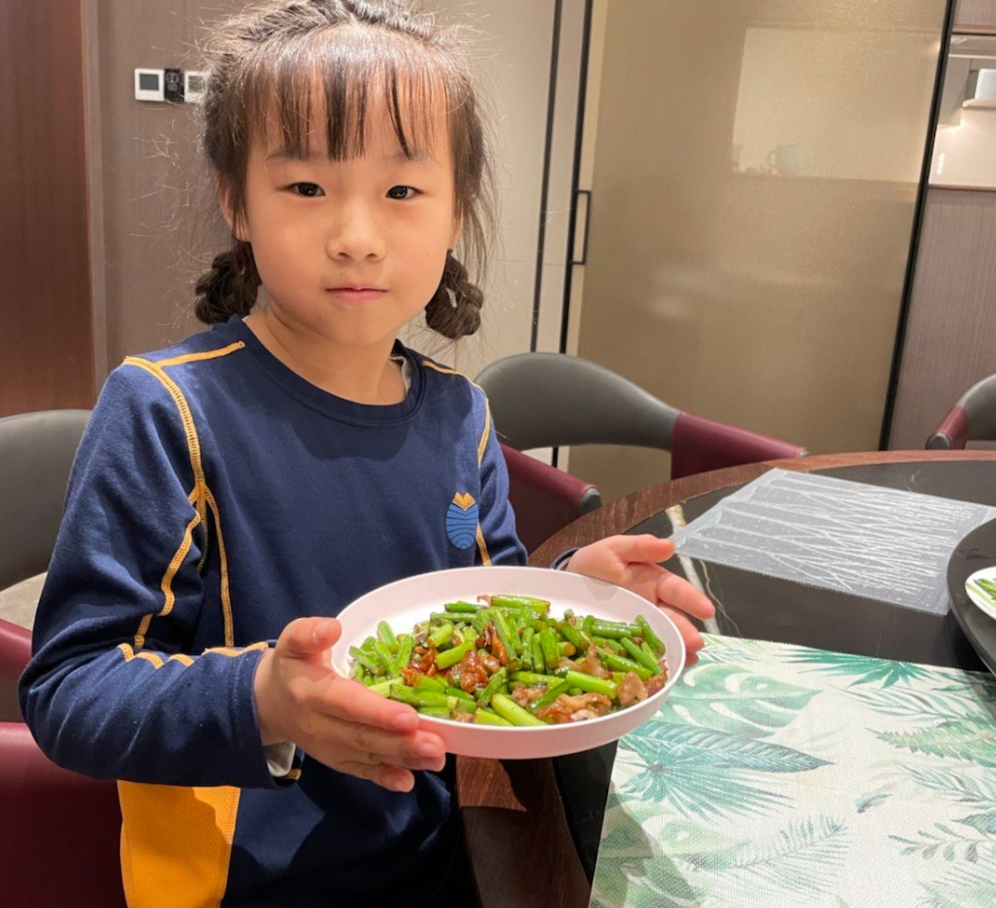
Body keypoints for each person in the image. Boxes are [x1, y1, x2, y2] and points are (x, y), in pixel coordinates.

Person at [18, 2, 715, 906]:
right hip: (249, 882)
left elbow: (481, 610)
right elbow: (71, 689)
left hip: (439, 845)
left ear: (455, 208)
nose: (357, 234)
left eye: (402, 191)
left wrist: (582, 597)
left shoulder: (459, 413)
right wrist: (264, 699)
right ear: (236, 199)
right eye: (306, 188)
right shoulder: (167, 409)